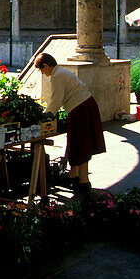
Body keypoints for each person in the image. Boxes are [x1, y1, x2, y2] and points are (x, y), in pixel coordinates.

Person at [34, 53, 106, 193]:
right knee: (77, 142)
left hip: (80, 108)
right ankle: (74, 174)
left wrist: (46, 116)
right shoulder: (60, 72)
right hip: (83, 106)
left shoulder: (57, 76)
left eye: (41, 70)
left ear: (46, 66)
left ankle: (84, 181)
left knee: (80, 143)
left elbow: (56, 100)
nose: (42, 73)